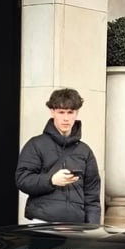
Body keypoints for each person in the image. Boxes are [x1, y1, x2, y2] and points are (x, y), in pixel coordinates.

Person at [16, 87, 101, 224]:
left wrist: (92, 228)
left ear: (77, 113)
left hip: (76, 226)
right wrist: (51, 181)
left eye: (70, 112)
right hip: (42, 222)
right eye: (61, 112)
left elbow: (92, 196)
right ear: (52, 112)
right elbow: (22, 180)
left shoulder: (85, 151)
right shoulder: (36, 144)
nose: (66, 118)